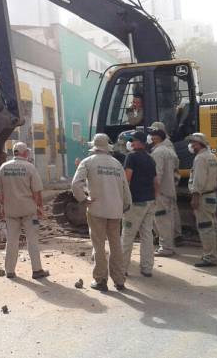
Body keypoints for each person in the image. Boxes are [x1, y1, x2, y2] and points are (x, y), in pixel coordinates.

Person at [72, 133, 132, 292]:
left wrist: (83, 200)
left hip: (97, 210)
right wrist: (125, 205)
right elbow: (125, 187)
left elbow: (75, 184)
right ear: (107, 147)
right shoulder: (117, 164)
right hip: (115, 210)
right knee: (116, 245)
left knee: (98, 246)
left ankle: (101, 281)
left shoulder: (88, 162)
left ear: (94, 146)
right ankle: (119, 281)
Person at [0, 142, 49, 279]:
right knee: (32, 240)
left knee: (12, 241)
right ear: (24, 153)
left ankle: (10, 271)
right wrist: (40, 208)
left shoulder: (3, 167)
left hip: (10, 211)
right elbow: (37, 192)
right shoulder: (30, 167)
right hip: (28, 211)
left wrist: (2, 206)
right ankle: (37, 270)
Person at [121, 131, 158, 277]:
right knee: (147, 235)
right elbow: (156, 181)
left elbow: (126, 179)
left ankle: (122, 269)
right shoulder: (150, 159)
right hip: (149, 201)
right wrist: (155, 198)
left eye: (133, 141)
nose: (131, 143)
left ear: (140, 142)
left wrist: (123, 199)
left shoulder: (131, 157)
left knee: (127, 236)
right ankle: (147, 268)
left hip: (136, 202)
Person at [187, 133, 217, 267]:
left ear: (200, 144)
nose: (191, 146)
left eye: (193, 143)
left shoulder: (200, 159)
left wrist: (195, 196)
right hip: (212, 195)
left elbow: (198, 180)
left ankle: (209, 257)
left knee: (205, 227)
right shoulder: (211, 156)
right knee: (213, 227)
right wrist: (212, 182)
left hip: (203, 197)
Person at [150, 121, 182, 242]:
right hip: (168, 183)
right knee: (170, 211)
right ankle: (171, 236)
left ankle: (169, 237)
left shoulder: (164, 146)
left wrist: (155, 189)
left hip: (163, 185)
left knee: (164, 214)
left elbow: (159, 171)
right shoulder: (164, 145)